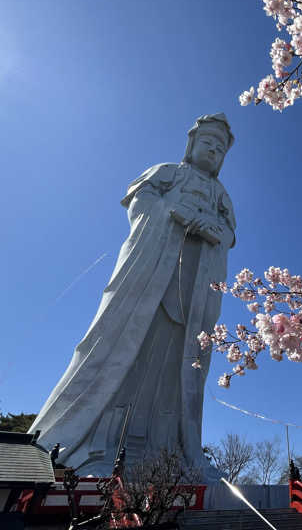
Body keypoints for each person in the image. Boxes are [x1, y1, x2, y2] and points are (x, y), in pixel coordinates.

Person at [29, 114, 236, 479]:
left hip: (191, 291)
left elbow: (229, 233)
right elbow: (140, 201)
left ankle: (170, 451)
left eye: (221, 149)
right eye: (209, 143)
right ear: (191, 144)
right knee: (121, 346)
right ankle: (87, 444)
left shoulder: (221, 195)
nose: (214, 152)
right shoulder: (170, 172)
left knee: (178, 364)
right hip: (150, 274)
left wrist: (212, 231)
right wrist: (173, 213)